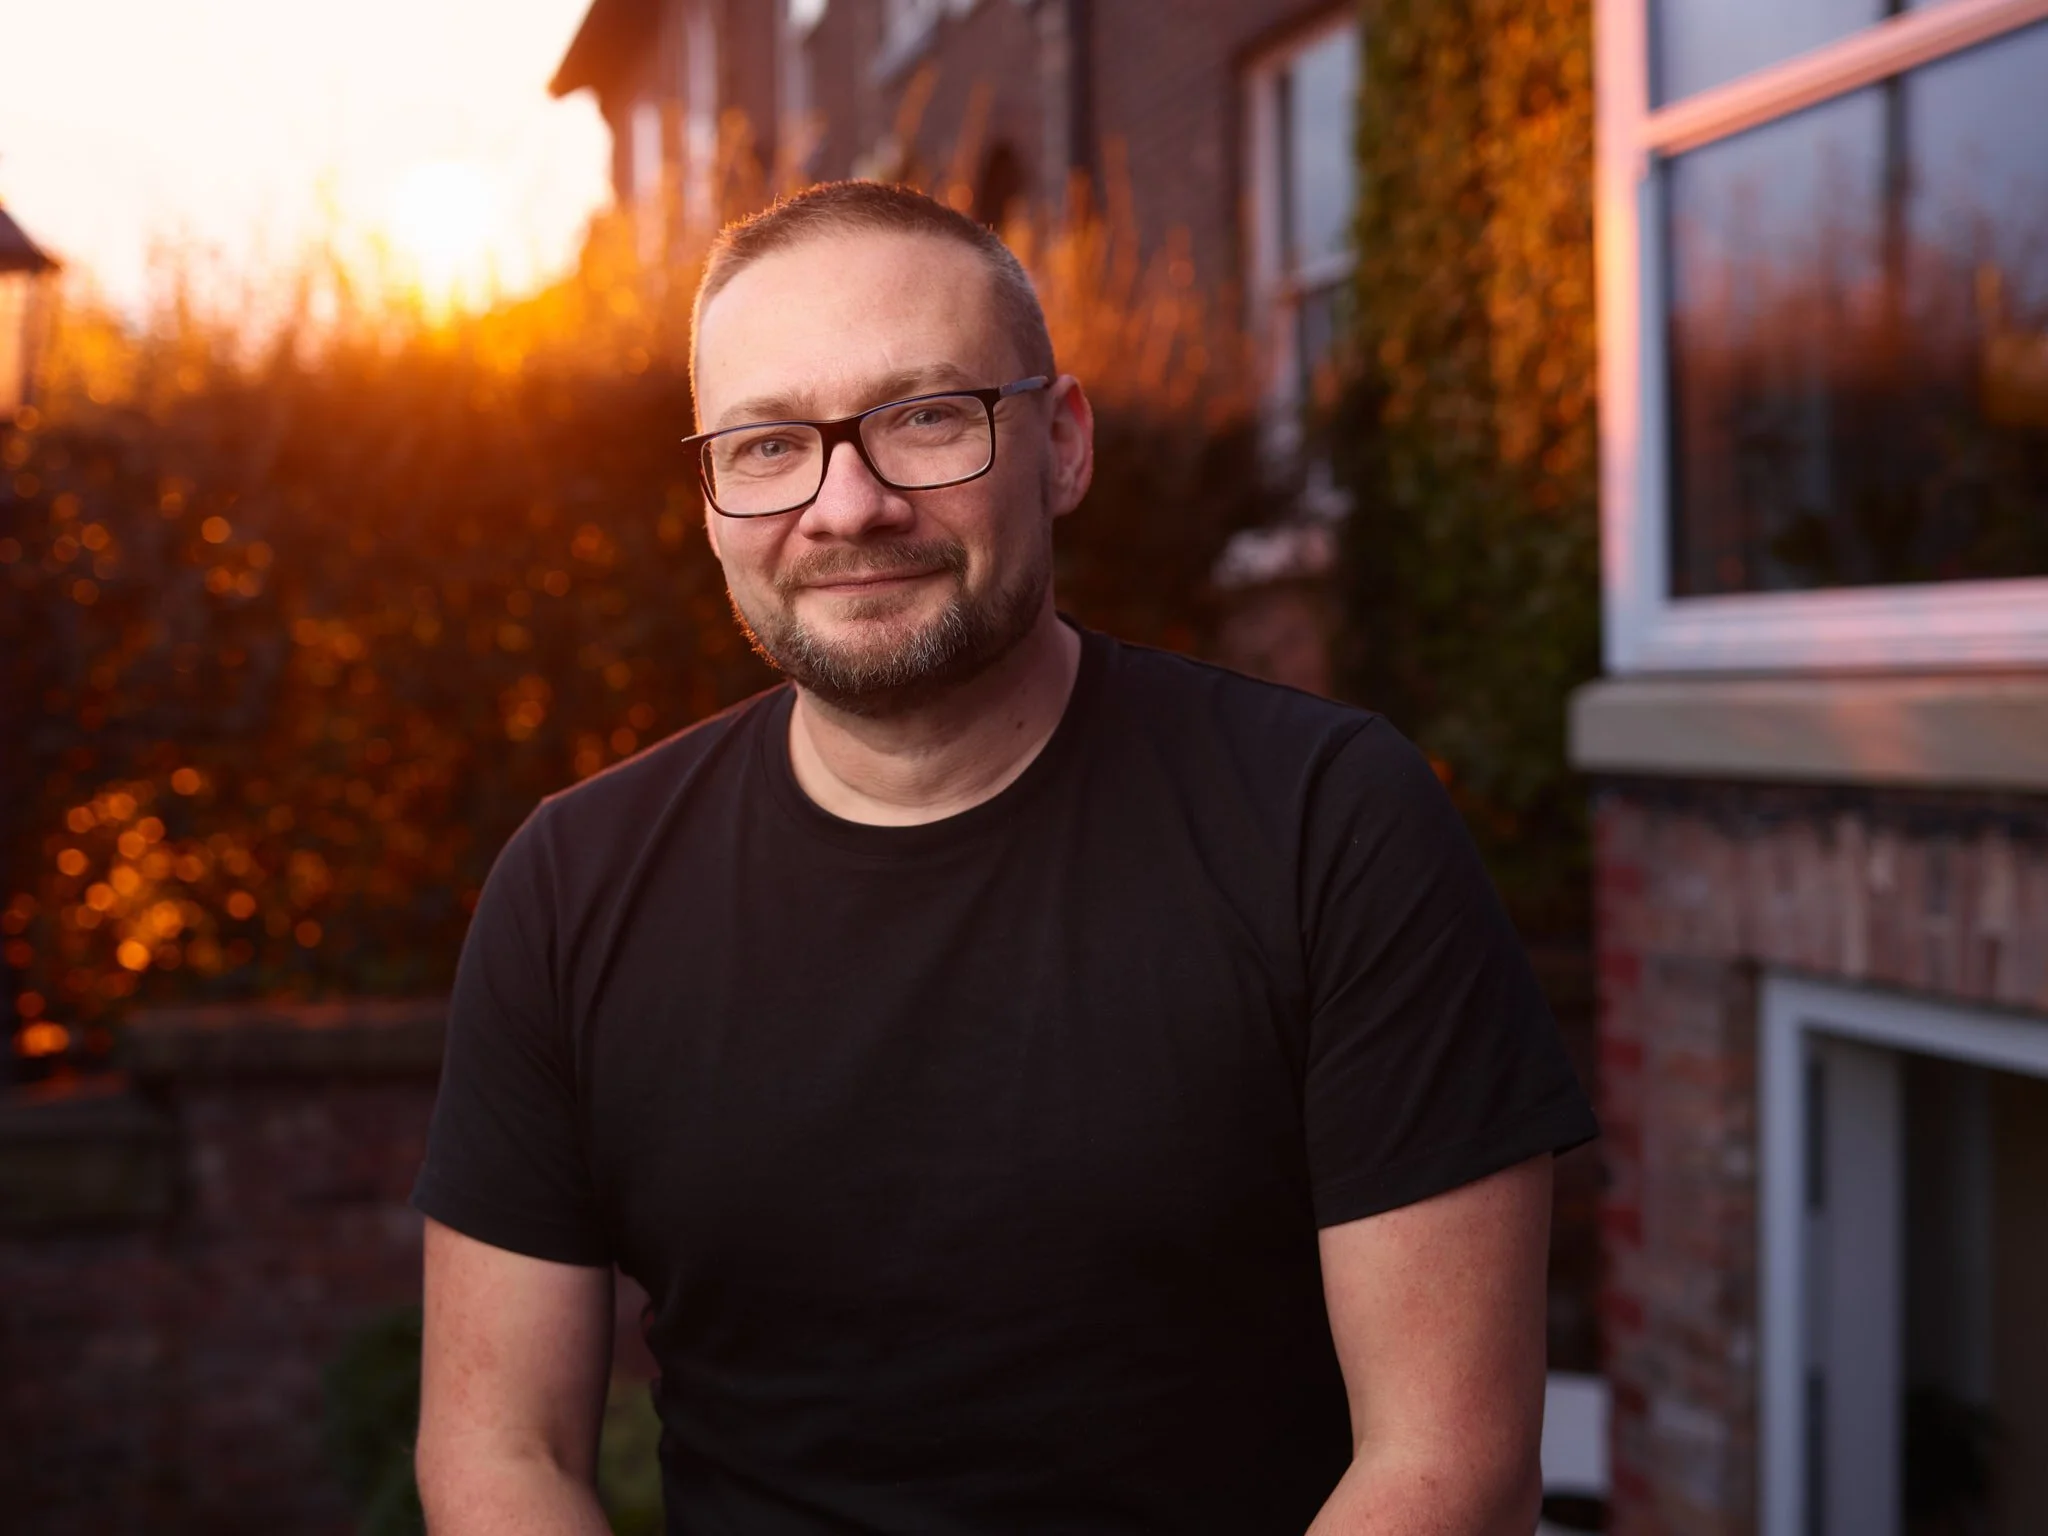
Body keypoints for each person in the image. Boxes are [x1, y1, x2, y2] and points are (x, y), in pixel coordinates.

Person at [410, 180, 1596, 1536]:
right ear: (712, 492)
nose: (846, 506)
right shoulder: (573, 889)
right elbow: (500, 1456)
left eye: (925, 417)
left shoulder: (1329, 822)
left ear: (1064, 445)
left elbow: (1449, 1463)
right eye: (768, 443)